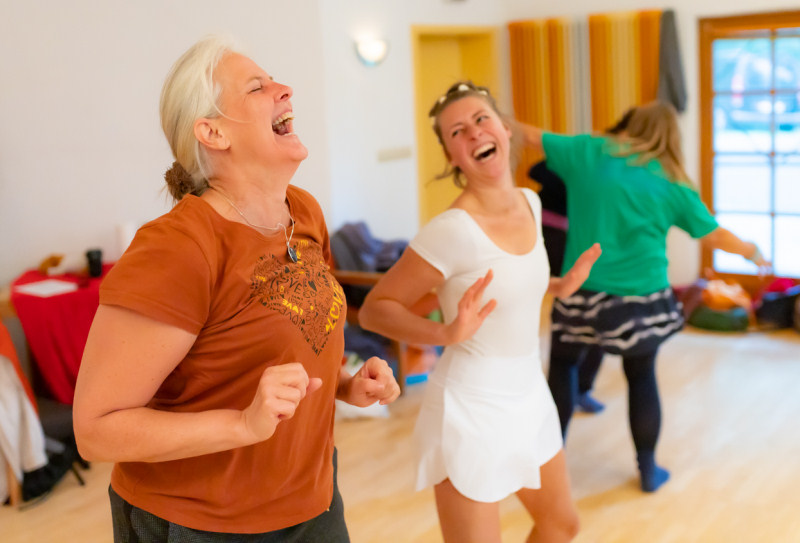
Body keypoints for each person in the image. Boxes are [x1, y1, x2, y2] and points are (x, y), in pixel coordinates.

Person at [72, 35, 400, 541]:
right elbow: (96, 430)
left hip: (313, 502)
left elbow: (281, 345)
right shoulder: (178, 247)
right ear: (213, 132)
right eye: (257, 87)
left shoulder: (303, 212)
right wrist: (243, 426)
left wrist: (344, 383)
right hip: (199, 522)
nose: (284, 89)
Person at [358, 81, 602, 543]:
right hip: (469, 405)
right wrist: (447, 333)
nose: (473, 133)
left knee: (561, 524)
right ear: (452, 157)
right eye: (457, 132)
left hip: (529, 392)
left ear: (506, 130)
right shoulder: (451, 230)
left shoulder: (530, 202)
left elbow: (507, 283)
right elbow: (375, 311)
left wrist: (558, 286)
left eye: (481, 120)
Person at [520, 100, 770, 493]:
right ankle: (648, 470)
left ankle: (550, 461)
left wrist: (486, 119)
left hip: (579, 289)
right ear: (671, 135)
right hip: (640, 297)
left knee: (563, 367)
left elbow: (531, 135)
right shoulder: (672, 180)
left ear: (632, 126)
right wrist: (753, 252)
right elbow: (715, 235)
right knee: (640, 377)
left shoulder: (591, 150)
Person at [530, 109, 636, 415]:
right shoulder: (589, 149)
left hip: (589, 240)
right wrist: (573, 175)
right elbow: (536, 171)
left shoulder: (629, 162)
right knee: (577, 314)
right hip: (554, 234)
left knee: (596, 317)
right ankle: (566, 396)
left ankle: (582, 389)